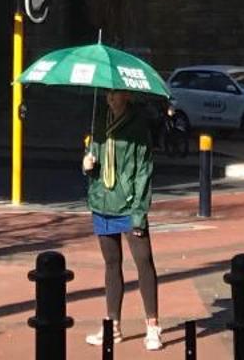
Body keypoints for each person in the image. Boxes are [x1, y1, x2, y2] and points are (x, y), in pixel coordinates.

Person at [83, 88, 163, 350]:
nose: (110, 98)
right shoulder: (99, 123)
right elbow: (93, 162)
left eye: (116, 94)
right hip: (102, 201)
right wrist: (86, 164)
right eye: (107, 93)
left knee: (143, 262)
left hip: (129, 205)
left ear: (127, 96)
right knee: (111, 264)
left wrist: (139, 212)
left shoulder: (138, 127)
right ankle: (112, 325)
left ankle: (152, 327)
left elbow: (143, 172)